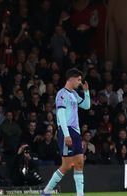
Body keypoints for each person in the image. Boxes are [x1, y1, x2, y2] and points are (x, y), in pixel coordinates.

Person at [42, 68, 91, 196]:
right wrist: (66, 134)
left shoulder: (74, 93)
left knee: (79, 163)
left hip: (76, 132)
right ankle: (46, 191)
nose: (80, 82)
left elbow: (86, 106)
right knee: (66, 165)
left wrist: (86, 92)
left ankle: (80, 194)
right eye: (78, 80)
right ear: (71, 79)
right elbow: (61, 115)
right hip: (67, 131)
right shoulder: (61, 94)